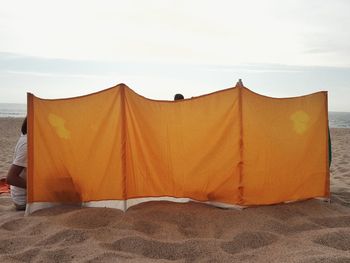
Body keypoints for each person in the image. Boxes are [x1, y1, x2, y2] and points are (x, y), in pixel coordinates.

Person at [6, 117, 27, 210]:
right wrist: (39, 188)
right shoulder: (28, 144)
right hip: (24, 200)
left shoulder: (27, 136)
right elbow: (11, 178)